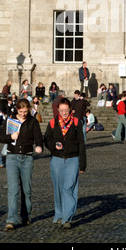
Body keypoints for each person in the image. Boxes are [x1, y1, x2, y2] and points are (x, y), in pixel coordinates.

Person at [0, 98, 43, 230]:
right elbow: (1, 137)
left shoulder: (32, 121)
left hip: (27, 158)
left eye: (26, 111)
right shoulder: (9, 121)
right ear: (17, 110)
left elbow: (38, 137)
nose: (24, 113)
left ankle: (26, 215)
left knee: (26, 190)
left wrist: (39, 146)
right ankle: (11, 219)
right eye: (21, 111)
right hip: (12, 158)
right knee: (13, 190)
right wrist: (10, 137)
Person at [44, 98, 86, 229]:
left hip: (73, 159)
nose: (64, 113)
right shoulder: (52, 123)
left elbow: (81, 144)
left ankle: (67, 218)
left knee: (69, 188)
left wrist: (82, 164)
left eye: (66, 110)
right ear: (58, 110)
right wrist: (53, 146)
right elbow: (47, 139)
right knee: (58, 188)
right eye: (61, 110)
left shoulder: (76, 122)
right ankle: (59, 214)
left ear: (70, 110)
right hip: (56, 159)